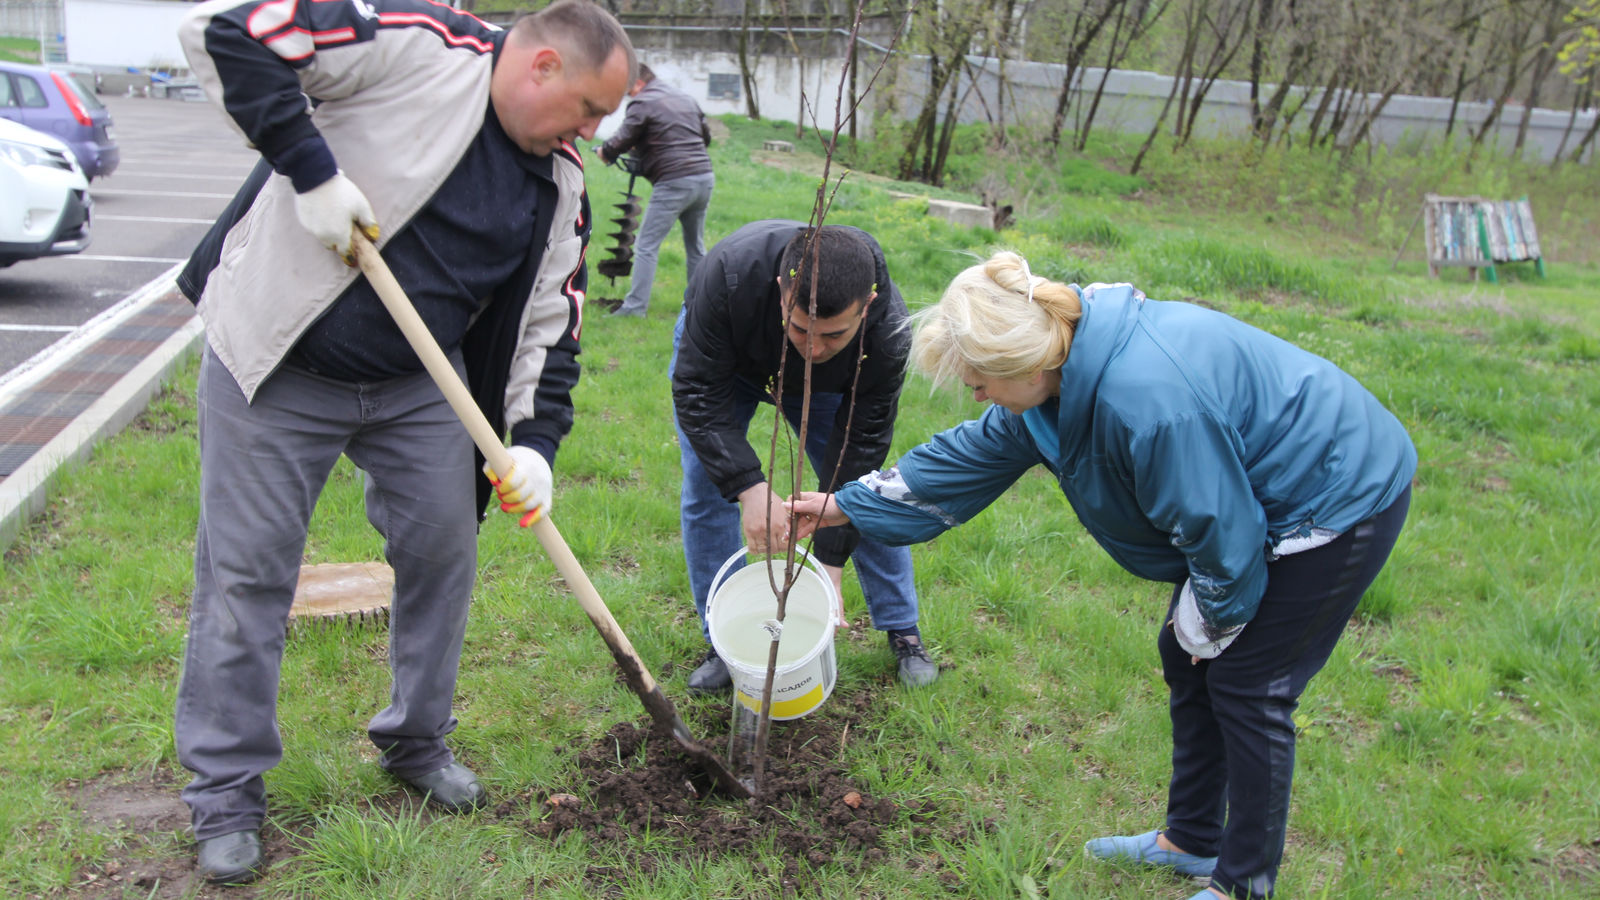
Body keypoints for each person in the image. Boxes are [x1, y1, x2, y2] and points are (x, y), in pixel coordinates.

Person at [171, 0, 634, 884]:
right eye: (586, 109)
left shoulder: (559, 179)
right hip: (278, 359)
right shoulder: (420, 45)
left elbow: (552, 321)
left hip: (419, 382)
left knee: (441, 552)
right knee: (248, 573)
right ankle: (226, 791)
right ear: (540, 67)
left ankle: (416, 741)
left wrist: (534, 443)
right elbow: (227, 30)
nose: (591, 132)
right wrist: (310, 174)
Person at [788, 253, 1416, 900]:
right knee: (1188, 655)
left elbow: (1221, 535)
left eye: (980, 384)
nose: (975, 396)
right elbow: (972, 453)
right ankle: (1193, 840)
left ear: (1028, 368)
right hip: (1244, 499)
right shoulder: (1056, 372)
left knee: (1248, 685)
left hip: (1334, 494)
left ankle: (1242, 884)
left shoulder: (1147, 404)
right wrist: (843, 505)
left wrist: (1220, 624)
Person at [672, 220, 939, 695]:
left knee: (867, 494)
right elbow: (697, 394)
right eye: (799, 327)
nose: (813, 347)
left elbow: (859, 452)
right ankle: (722, 642)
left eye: (833, 336)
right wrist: (747, 485)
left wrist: (831, 563)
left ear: (868, 307)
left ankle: (903, 629)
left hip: (832, 389)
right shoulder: (728, 276)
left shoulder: (886, 338)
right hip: (728, 364)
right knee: (706, 488)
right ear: (781, 291)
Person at [594, 63, 714, 318]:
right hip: (704, 178)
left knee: (647, 245)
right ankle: (699, 306)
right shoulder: (685, 98)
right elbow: (705, 138)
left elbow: (623, 137)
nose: (628, 95)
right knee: (695, 246)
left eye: (628, 90)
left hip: (674, 181)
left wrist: (605, 151)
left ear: (637, 82)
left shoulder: (644, 102)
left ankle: (635, 308)